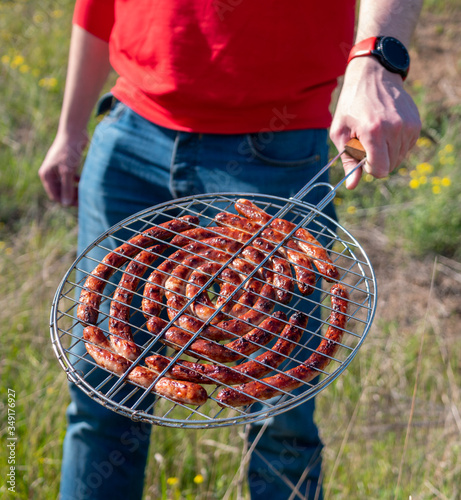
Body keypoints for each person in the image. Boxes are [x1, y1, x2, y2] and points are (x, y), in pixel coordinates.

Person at [39, 1, 422, 499]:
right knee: (101, 393)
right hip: (128, 134)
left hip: (277, 146)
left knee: (279, 417)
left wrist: (378, 59)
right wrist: (70, 128)